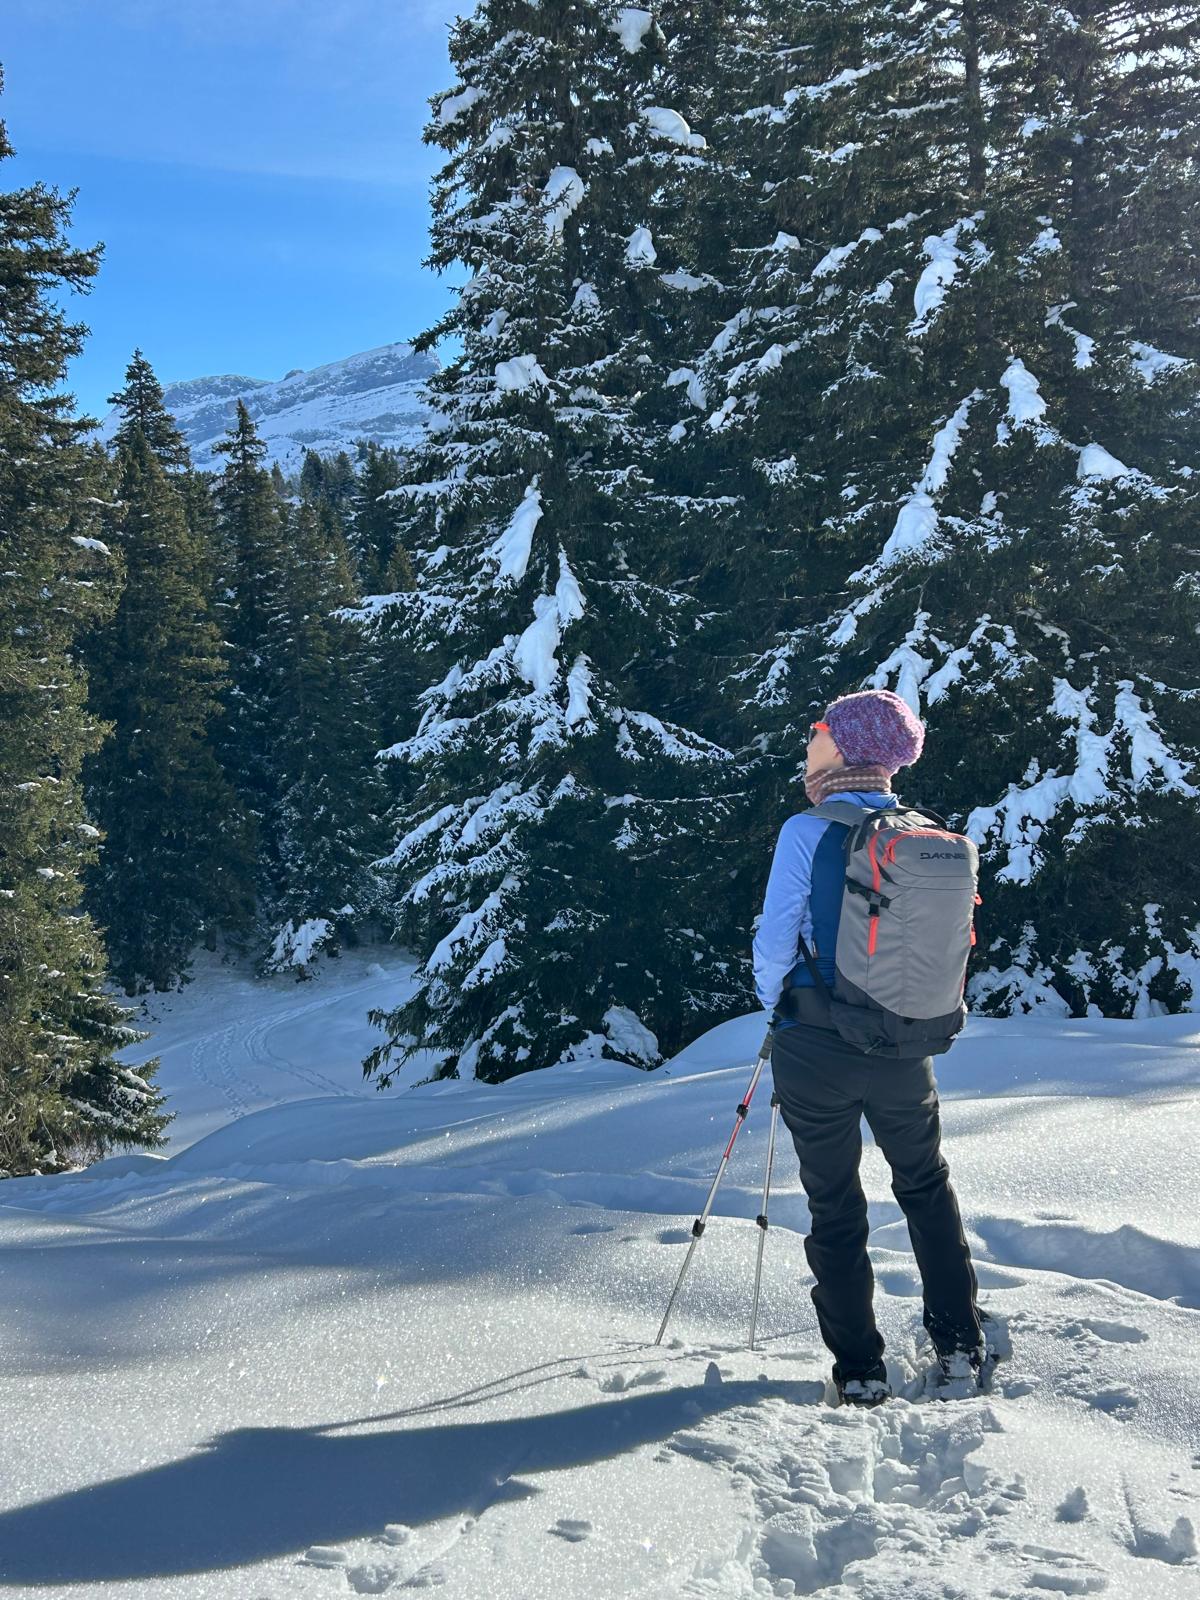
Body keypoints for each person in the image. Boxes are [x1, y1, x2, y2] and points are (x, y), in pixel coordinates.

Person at [753, 689, 984, 1406]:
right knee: (925, 1185)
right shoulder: (923, 832)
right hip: (904, 1046)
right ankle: (959, 1342)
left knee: (834, 1202)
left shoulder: (806, 830)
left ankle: (859, 1369)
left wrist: (778, 1004)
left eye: (819, 729)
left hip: (817, 1045)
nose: (810, 739)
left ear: (847, 747)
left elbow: (774, 944)